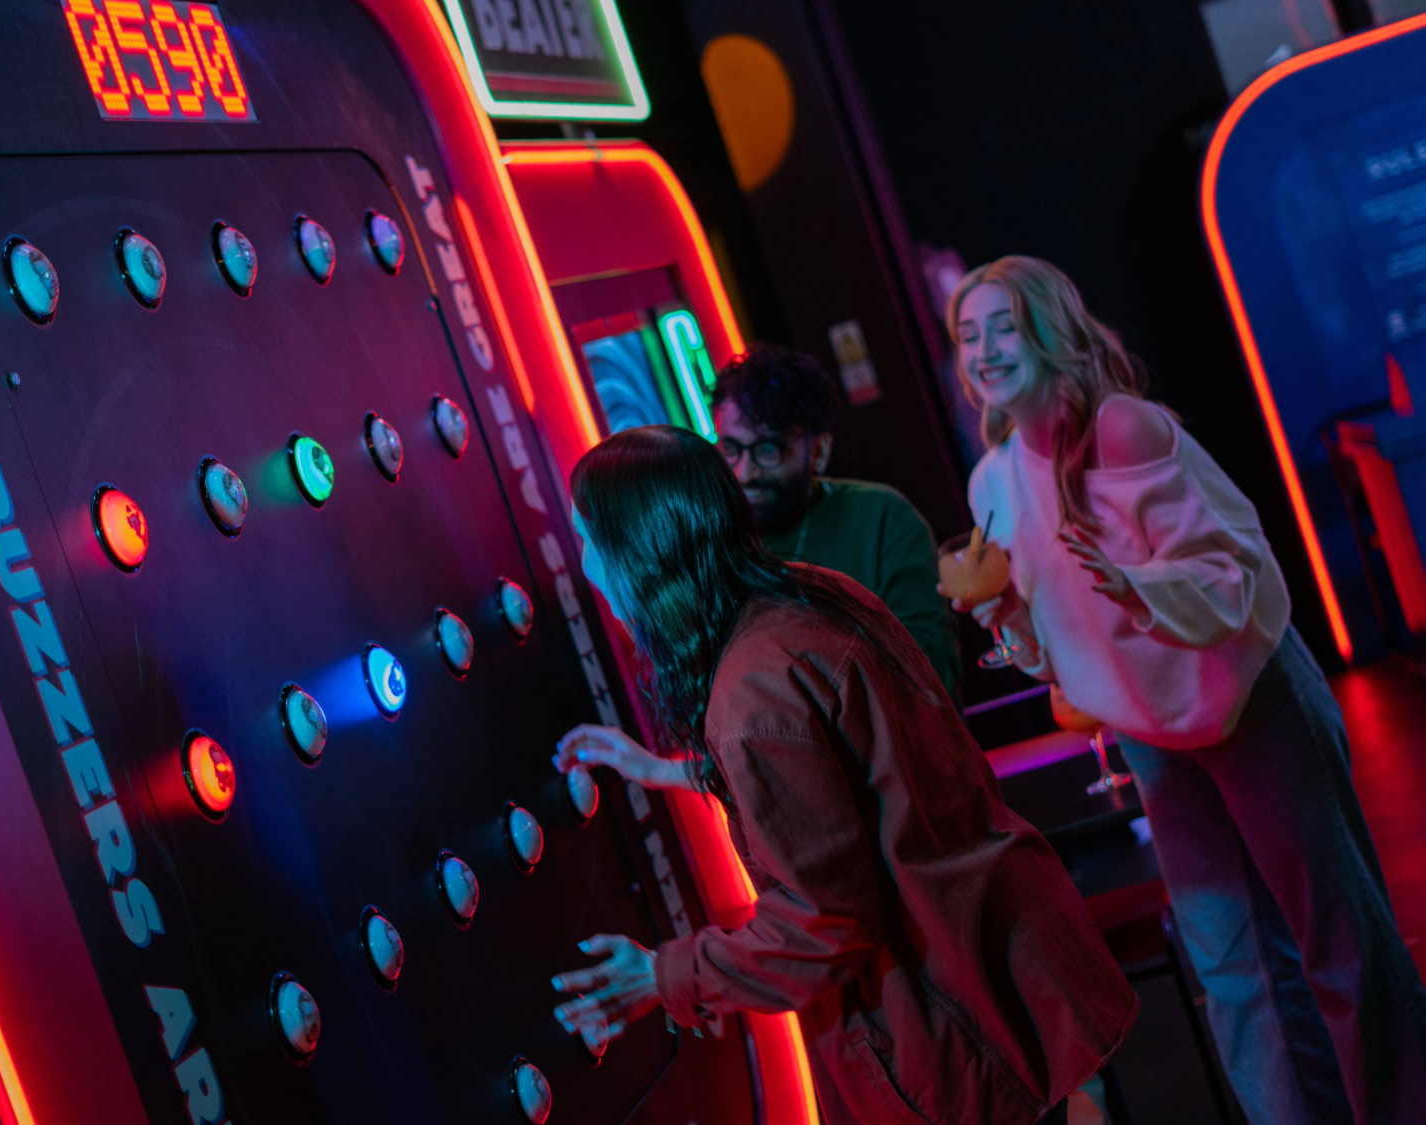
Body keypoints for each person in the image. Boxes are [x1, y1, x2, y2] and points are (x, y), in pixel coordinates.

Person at [949, 255, 1426, 1124]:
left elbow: (1231, 565)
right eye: (968, 333)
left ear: (1050, 329)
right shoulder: (994, 483)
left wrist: (1143, 589)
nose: (984, 349)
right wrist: (1012, 620)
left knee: (1340, 938)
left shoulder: (1123, 428)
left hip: (1247, 695)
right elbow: (1059, 648)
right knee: (1231, 962)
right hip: (1151, 728)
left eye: (1003, 325)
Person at [546, 424, 1137, 1125]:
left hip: (945, 1030)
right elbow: (852, 771)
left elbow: (823, 926)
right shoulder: (808, 592)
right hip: (1001, 963)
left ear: (639, 549)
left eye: (588, 540)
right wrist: (676, 769)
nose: (585, 567)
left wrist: (661, 974)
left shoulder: (750, 696)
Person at [712, 344, 961, 698]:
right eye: (731, 449)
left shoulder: (880, 518)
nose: (744, 472)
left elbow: (933, 672)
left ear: (819, 451)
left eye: (768, 451)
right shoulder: (712, 539)